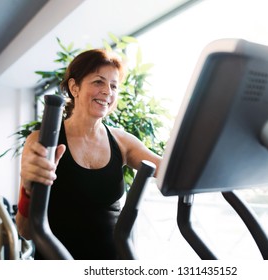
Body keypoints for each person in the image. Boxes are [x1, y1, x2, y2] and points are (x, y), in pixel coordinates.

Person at [15, 49, 162, 259]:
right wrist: (28, 191)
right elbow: (25, 230)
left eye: (113, 86)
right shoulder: (42, 141)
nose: (107, 92)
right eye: (98, 82)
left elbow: (168, 169)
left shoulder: (122, 141)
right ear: (74, 87)